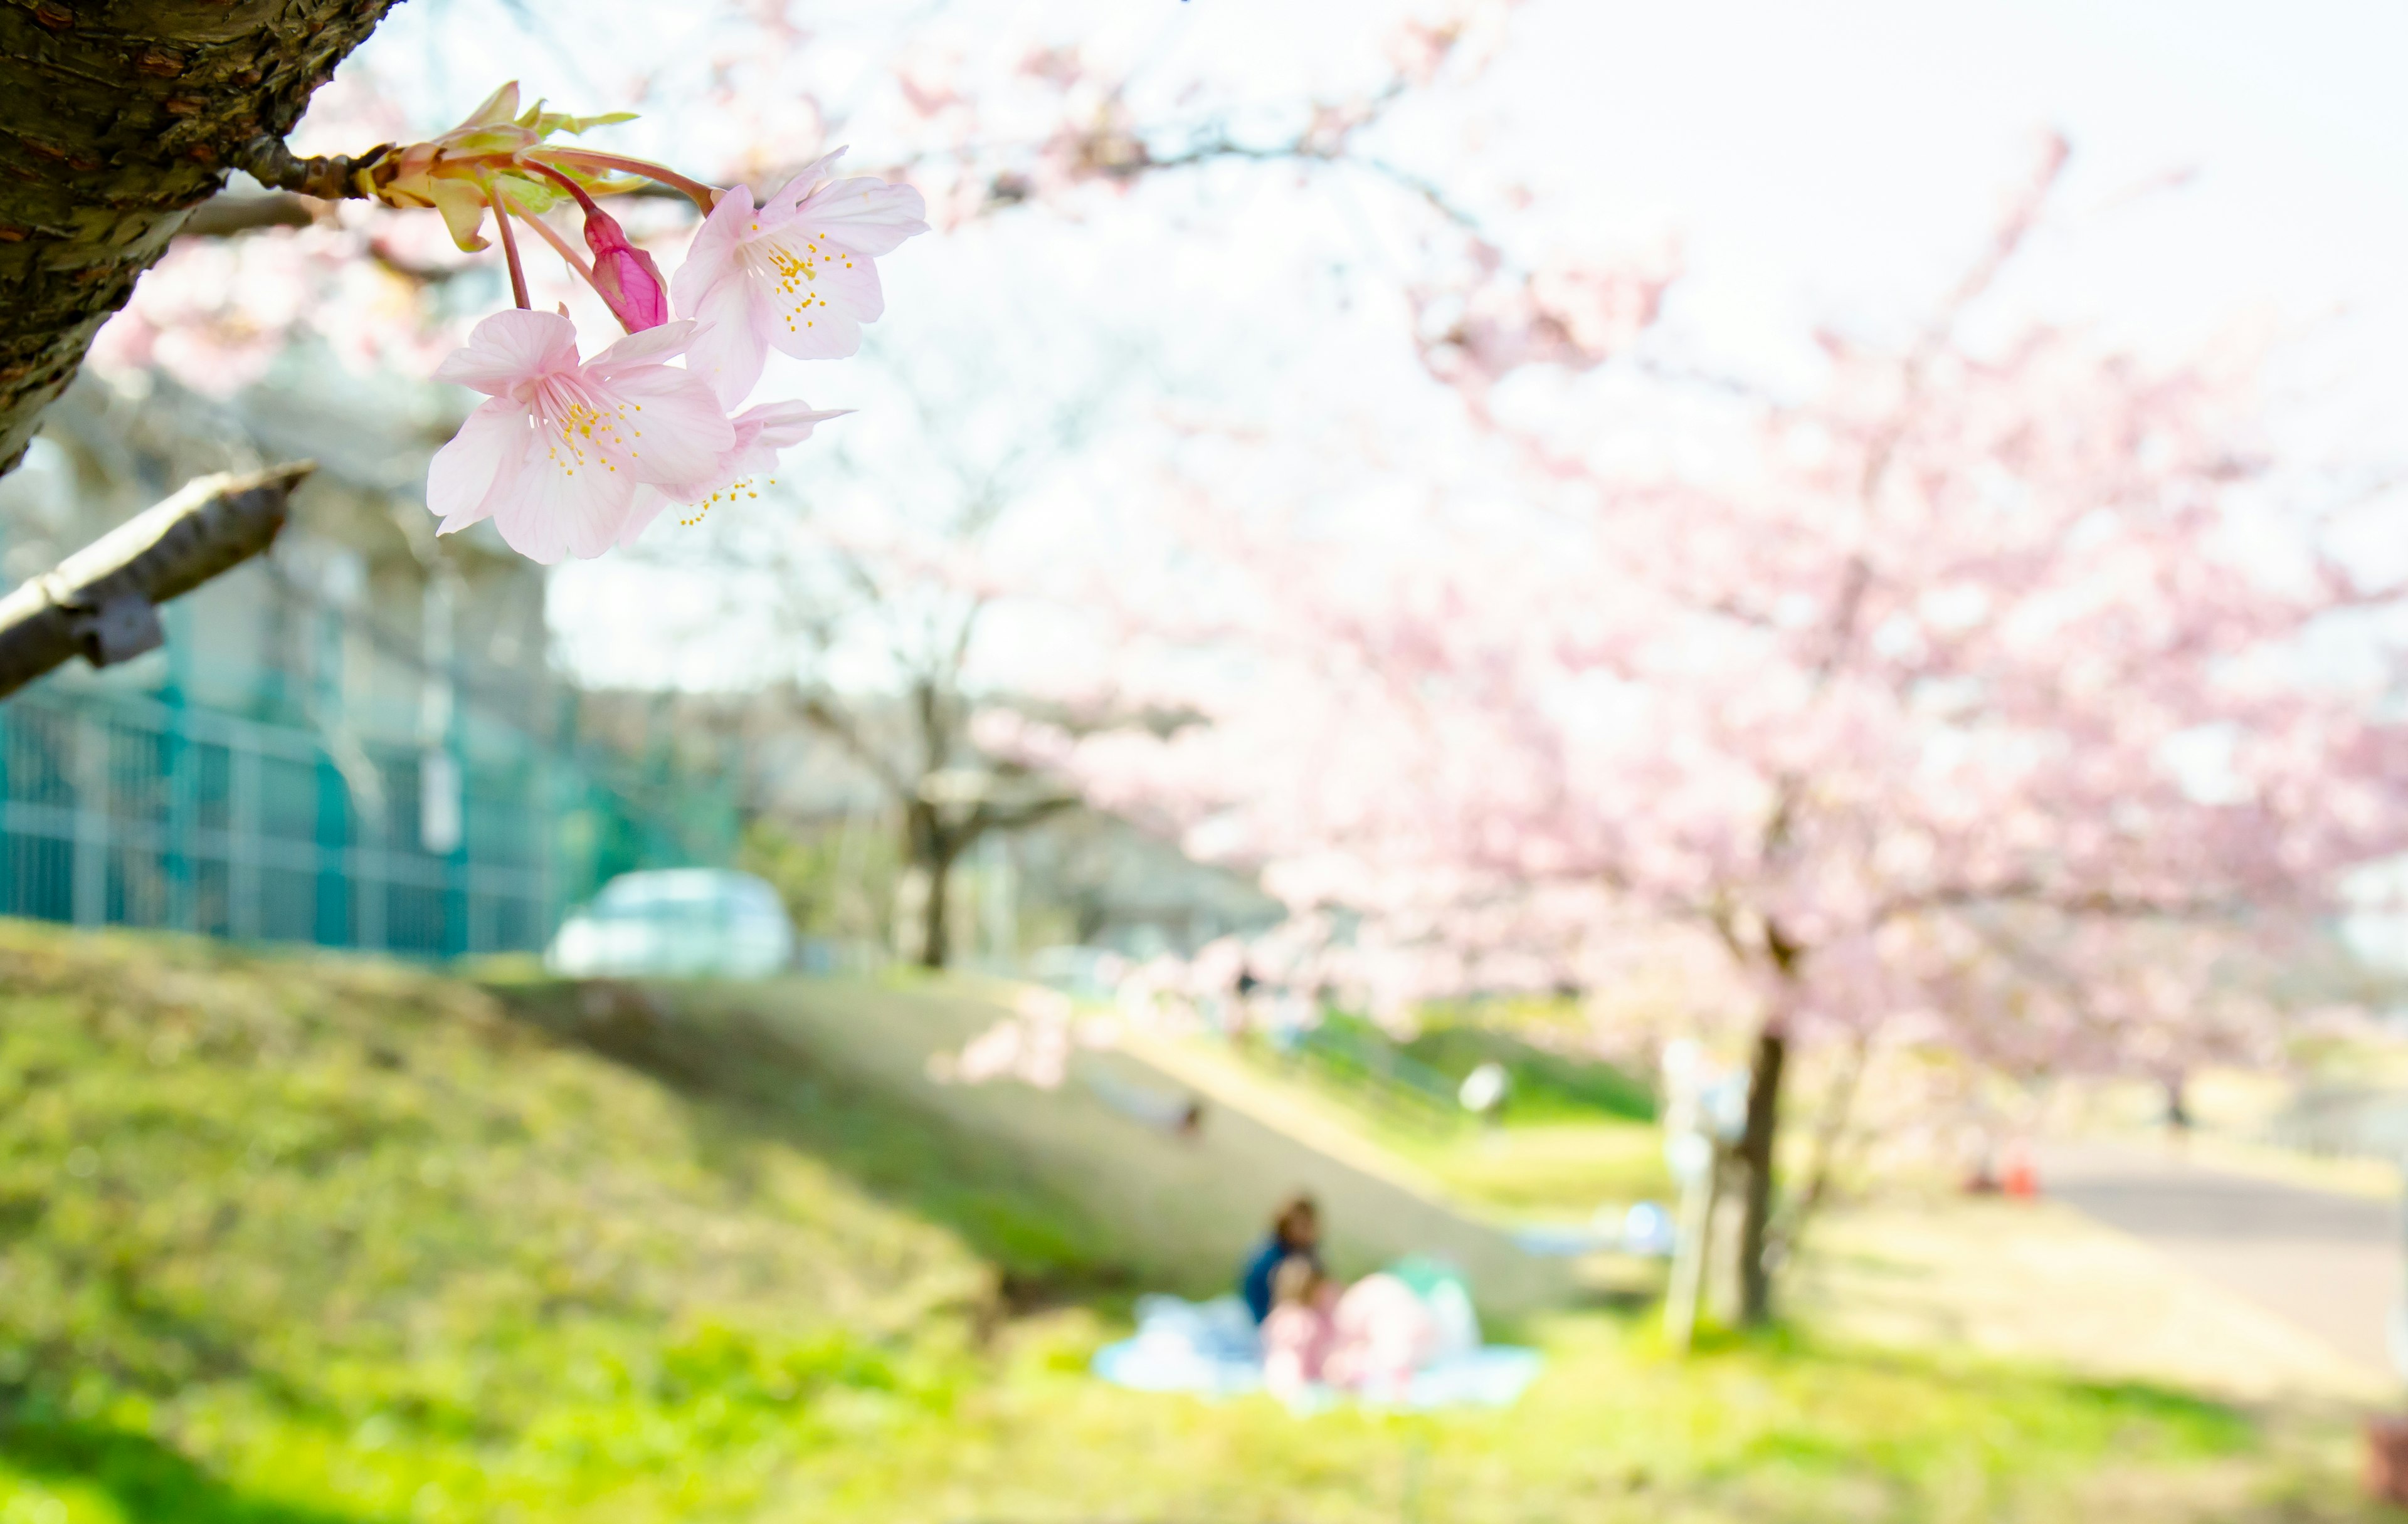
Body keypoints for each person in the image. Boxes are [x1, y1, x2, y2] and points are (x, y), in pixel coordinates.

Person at [1259, 1256, 1338, 1397]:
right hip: (1295, 1379)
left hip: (1274, 1374)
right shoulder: (1305, 1321)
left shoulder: (1281, 1314)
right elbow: (1300, 1358)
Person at [1239, 1193, 1321, 1324]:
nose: (1307, 1232)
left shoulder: (1309, 1255)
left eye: (1309, 1225)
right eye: (1301, 1225)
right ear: (1286, 1223)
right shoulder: (1266, 1258)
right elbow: (1256, 1305)